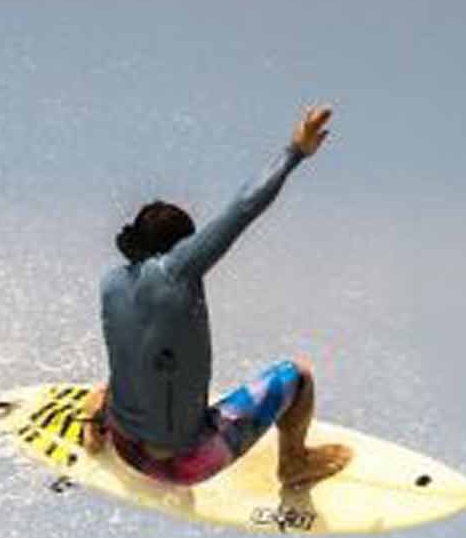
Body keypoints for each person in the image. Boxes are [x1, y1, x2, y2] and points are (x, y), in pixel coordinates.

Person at [83, 103, 351, 489]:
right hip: (184, 462)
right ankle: (294, 463)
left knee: (131, 362)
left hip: (127, 446)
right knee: (298, 376)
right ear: (183, 246)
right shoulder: (179, 271)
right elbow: (243, 208)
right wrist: (294, 154)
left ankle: (98, 423)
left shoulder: (110, 283)